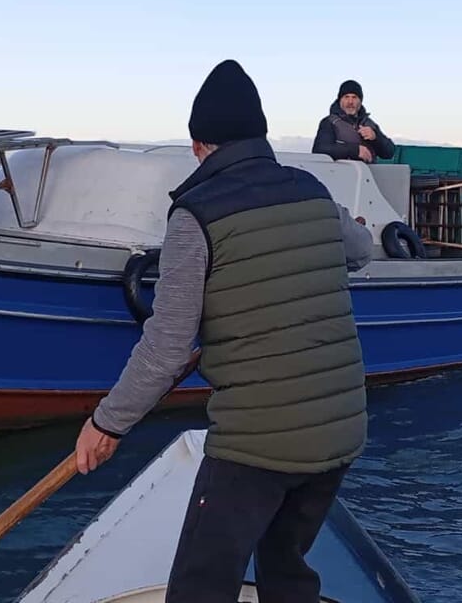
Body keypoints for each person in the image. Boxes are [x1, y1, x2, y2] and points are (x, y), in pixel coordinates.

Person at [74, 59, 374, 602]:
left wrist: (107, 423)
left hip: (258, 441)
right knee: (286, 567)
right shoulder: (310, 190)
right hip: (341, 429)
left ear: (197, 145)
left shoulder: (196, 215)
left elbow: (166, 348)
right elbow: (360, 252)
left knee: (200, 586)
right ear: (260, 135)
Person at [311, 79, 396, 163]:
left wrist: (376, 137)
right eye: (346, 97)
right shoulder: (329, 122)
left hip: (369, 174)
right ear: (340, 100)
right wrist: (354, 150)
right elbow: (320, 149)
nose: (350, 102)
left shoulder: (369, 124)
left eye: (354, 97)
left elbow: (389, 152)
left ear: (360, 101)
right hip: (340, 174)